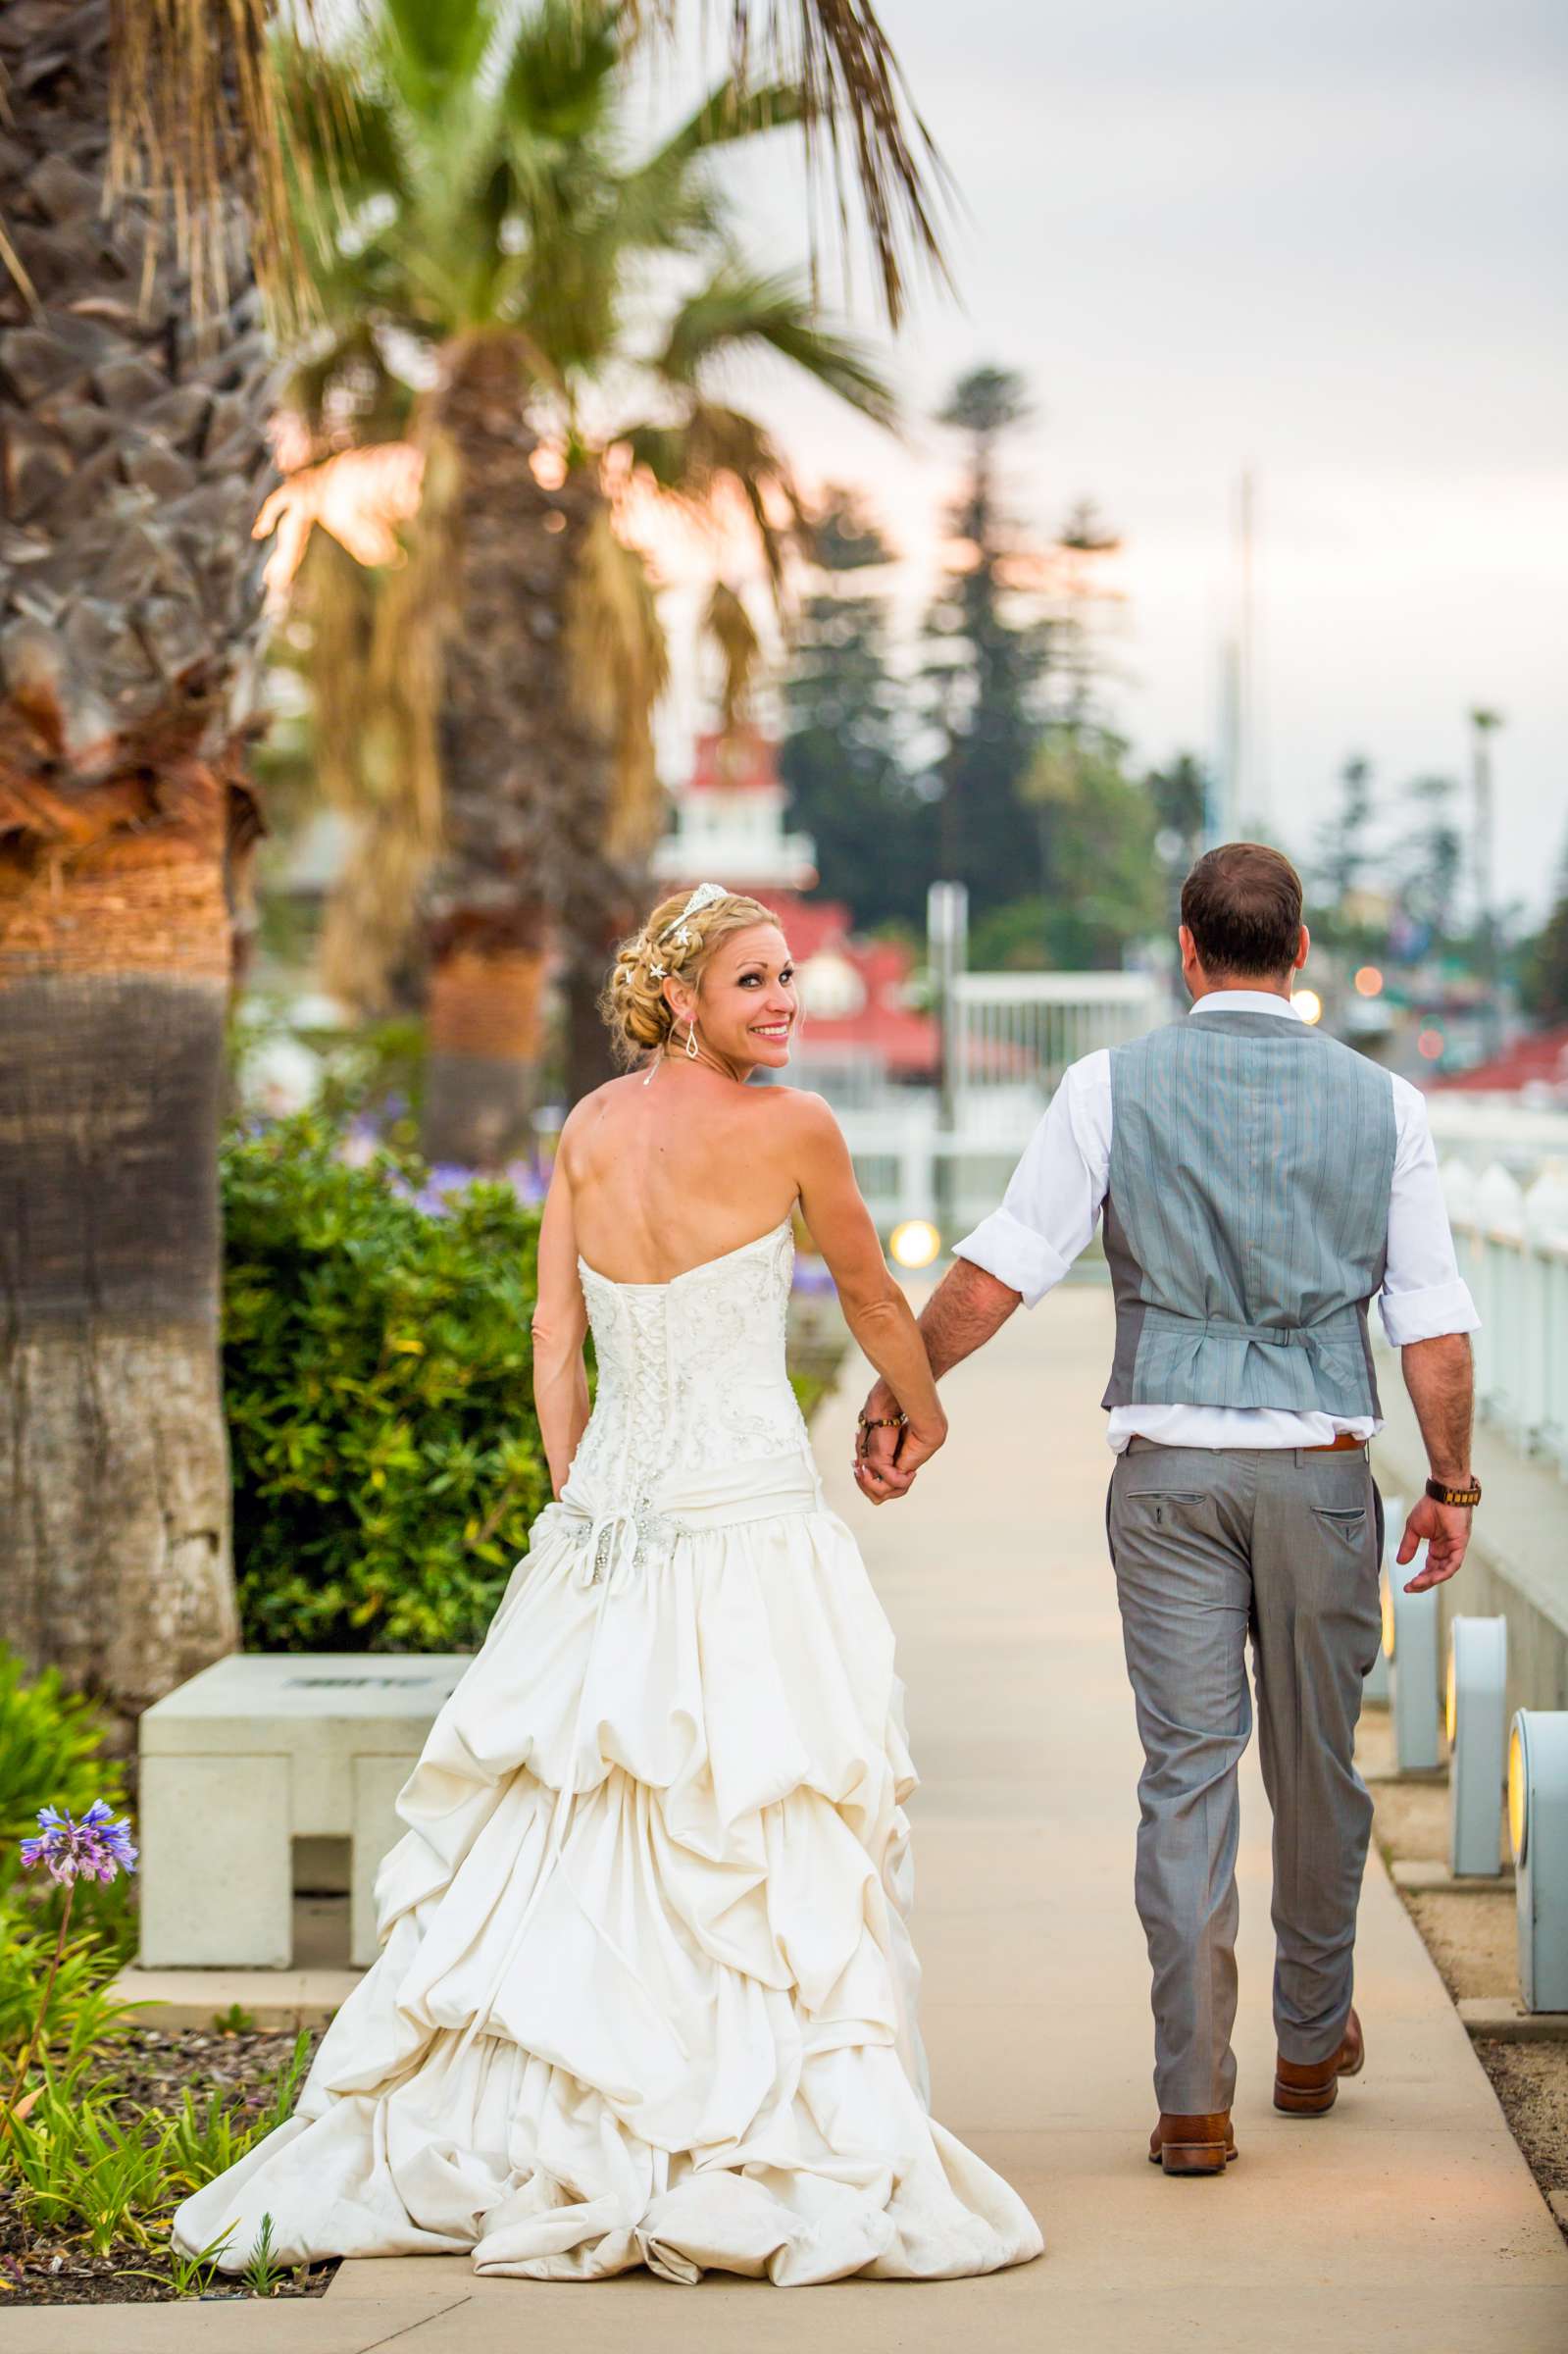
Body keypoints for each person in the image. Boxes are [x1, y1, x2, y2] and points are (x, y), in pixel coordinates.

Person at [172, 883, 1042, 2285]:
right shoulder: (792, 1132)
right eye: (755, 981)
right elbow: (875, 1298)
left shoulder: (582, 1128)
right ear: (682, 996)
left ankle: (550, 2109)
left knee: (581, 1815)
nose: (784, 1004)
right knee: (751, 1820)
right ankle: (736, 2119)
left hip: (614, 1525)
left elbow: (555, 1336)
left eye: (790, 980)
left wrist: (579, 1491)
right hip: (747, 1515)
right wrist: (919, 1409)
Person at [858, 843, 1481, 2177]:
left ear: (1186, 951)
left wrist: (900, 1395)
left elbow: (1001, 1269)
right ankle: (1311, 2044)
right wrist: (1451, 1479)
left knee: (1187, 1774)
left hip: (1167, 1479)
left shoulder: (1108, 1088)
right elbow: (1431, 1323)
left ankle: (1193, 2097)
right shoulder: (1387, 1105)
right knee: (1317, 1768)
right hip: (1320, 1476)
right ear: (1301, 950)